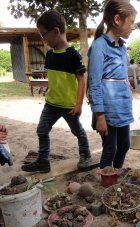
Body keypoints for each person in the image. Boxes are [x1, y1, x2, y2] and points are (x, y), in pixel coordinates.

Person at [21, 10, 91, 173]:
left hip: (69, 105)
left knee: (77, 130)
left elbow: (81, 79)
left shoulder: (72, 55)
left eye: (43, 35)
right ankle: (43, 161)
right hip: (51, 104)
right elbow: (53, 76)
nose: (43, 40)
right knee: (42, 130)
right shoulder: (50, 55)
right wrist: (47, 88)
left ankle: (85, 154)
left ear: (55, 32)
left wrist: (79, 104)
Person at [87, 0, 137, 169]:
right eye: (131, 22)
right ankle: (105, 181)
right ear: (117, 20)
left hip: (122, 108)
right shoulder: (99, 46)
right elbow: (93, 83)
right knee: (110, 148)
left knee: (124, 146)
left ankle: (116, 176)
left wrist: (127, 85)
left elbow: (120, 76)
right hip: (107, 112)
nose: (133, 26)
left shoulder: (122, 47)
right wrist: (100, 116)